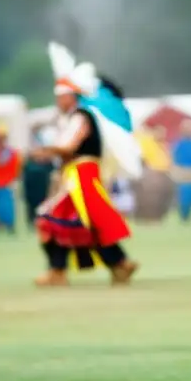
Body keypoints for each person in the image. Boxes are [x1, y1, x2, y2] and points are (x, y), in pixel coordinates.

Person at [32, 43, 143, 287]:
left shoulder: (81, 116)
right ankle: (119, 264)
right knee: (86, 222)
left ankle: (58, 270)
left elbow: (69, 147)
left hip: (81, 177)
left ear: (71, 96)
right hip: (77, 176)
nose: (58, 101)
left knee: (49, 217)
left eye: (61, 96)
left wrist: (45, 150)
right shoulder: (77, 116)